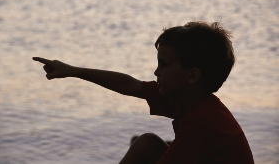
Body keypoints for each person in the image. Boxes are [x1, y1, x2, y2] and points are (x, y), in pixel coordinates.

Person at [33, 21, 254, 164]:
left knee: (144, 147)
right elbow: (129, 85)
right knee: (146, 143)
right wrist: (72, 71)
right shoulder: (185, 97)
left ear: (192, 76)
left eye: (164, 65)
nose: (156, 71)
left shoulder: (203, 122)